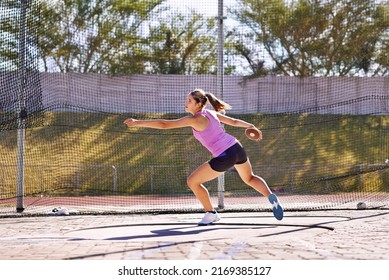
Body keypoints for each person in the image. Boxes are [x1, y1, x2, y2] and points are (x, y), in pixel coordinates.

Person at [124, 88, 283, 225]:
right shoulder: (211, 113)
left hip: (224, 155)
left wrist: (137, 122)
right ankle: (271, 197)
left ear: (199, 104)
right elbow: (233, 122)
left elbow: (165, 124)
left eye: (189, 100)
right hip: (236, 148)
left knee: (193, 181)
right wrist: (250, 126)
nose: (186, 102)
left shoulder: (195, 119)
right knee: (249, 178)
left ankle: (211, 214)